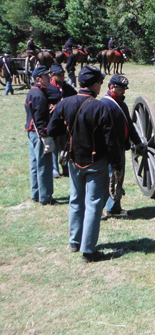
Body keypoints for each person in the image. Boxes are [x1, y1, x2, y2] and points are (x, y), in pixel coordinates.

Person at [47, 65, 122, 263]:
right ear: (95, 85)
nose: (101, 86)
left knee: (75, 200)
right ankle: (88, 251)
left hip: (73, 160)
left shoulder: (65, 103)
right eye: (100, 83)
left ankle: (74, 241)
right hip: (96, 162)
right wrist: (116, 166)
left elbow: (51, 129)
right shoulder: (100, 107)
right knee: (94, 204)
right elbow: (110, 141)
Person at [100, 75, 145, 217]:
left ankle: (114, 207)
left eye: (124, 89)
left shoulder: (121, 104)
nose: (123, 92)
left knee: (118, 178)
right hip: (107, 148)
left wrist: (137, 142)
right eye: (120, 89)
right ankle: (99, 209)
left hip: (119, 147)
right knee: (106, 179)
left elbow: (130, 126)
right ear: (111, 87)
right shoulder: (105, 104)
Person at [25, 66, 55, 205]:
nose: (49, 78)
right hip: (38, 133)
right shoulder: (38, 95)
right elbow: (40, 118)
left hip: (31, 131)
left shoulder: (34, 92)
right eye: (46, 76)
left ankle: (36, 193)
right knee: (44, 165)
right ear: (38, 79)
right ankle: (45, 197)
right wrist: (45, 135)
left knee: (35, 164)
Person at [46, 63, 77, 178]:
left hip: (65, 122)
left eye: (63, 74)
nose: (62, 77)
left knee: (64, 146)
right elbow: (42, 103)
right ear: (53, 75)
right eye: (59, 75)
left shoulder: (67, 87)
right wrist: (49, 105)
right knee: (53, 147)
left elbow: (76, 97)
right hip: (52, 121)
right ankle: (54, 169)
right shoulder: (47, 88)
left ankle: (65, 168)